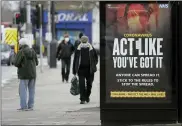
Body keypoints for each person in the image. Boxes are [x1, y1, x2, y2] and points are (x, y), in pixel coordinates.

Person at [14, 38, 38, 111]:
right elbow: (37, 63)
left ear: (21, 44)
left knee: (23, 91)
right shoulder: (33, 51)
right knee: (31, 90)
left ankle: (24, 107)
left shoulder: (21, 52)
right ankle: (31, 106)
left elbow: (16, 63)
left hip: (24, 74)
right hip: (33, 74)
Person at [73, 36, 98, 104]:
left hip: (90, 70)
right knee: (82, 85)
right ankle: (82, 99)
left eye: (85, 40)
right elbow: (75, 60)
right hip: (81, 70)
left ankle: (87, 96)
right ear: (81, 41)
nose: (84, 42)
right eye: (83, 40)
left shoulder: (91, 48)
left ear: (87, 41)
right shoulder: (78, 49)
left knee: (89, 84)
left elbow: (96, 58)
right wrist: (74, 71)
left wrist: (93, 64)